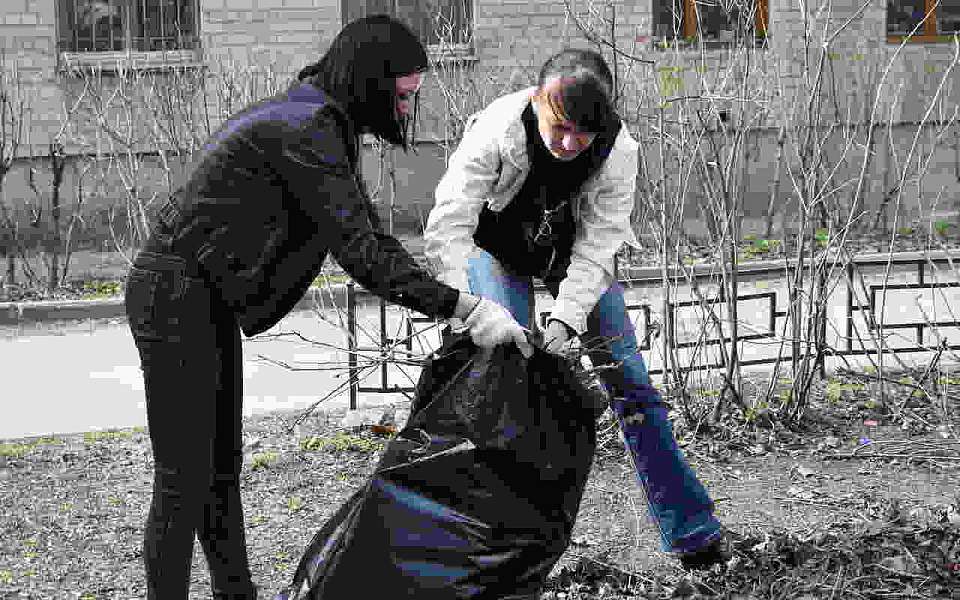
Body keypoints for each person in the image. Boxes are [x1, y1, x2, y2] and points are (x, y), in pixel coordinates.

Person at [124, 15, 531, 600]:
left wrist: (463, 302)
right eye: (404, 94)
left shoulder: (322, 122)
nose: (407, 109)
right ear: (372, 81)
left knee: (218, 471)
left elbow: (369, 235)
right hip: (175, 293)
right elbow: (364, 256)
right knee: (183, 480)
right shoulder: (308, 128)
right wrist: (467, 309)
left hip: (199, 293)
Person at [423, 48, 728, 568]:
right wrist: (466, 307)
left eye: (582, 133)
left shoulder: (618, 150)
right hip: (496, 254)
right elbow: (449, 226)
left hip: (575, 260)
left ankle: (694, 536)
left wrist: (567, 317)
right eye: (558, 127)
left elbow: (598, 246)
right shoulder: (496, 130)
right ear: (537, 101)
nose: (568, 144)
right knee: (506, 383)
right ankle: (504, 551)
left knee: (630, 383)